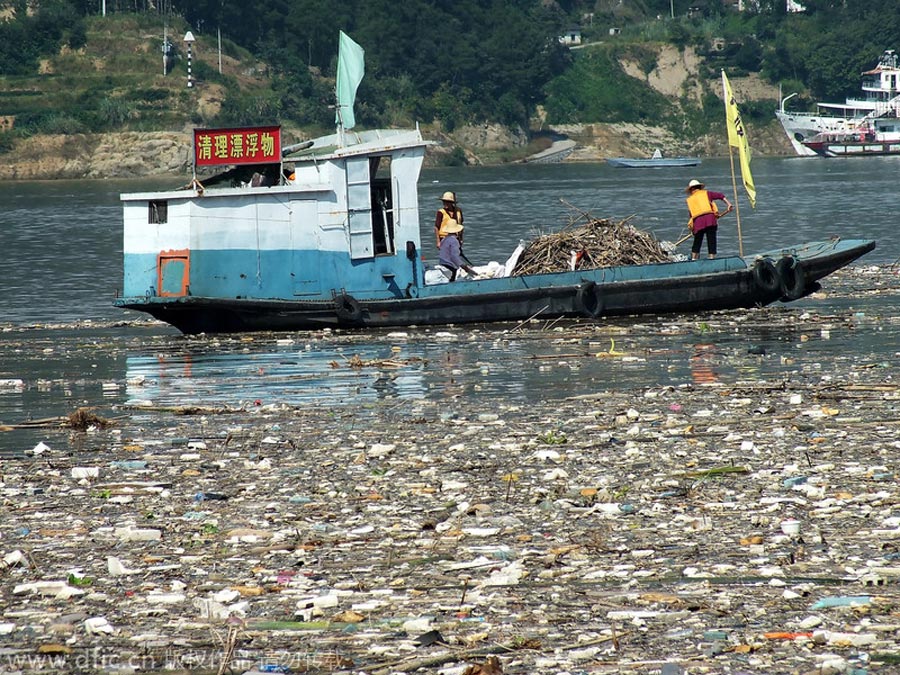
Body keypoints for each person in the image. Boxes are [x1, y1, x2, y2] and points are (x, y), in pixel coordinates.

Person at [685, 178, 732, 260]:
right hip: (710, 220)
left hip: (698, 222)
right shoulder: (707, 193)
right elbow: (720, 195)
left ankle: (693, 259)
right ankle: (712, 258)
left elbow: (691, 215)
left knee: (697, 241)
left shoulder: (690, 199)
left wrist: (693, 229)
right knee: (711, 240)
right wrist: (729, 204)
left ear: (692, 189)